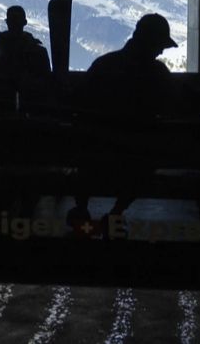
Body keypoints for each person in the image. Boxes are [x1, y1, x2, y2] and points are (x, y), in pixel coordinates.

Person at [68, 13, 179, 236]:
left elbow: (78, 104)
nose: (161, 51)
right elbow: (175, 106)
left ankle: (82, 210)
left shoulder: (104, 65)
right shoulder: (157, 74)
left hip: (93, 157)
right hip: (134, 162)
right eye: (160, 46)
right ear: (152, 43)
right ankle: (117, 212)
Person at [0, 5, 51, 91]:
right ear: (25, 22)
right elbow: (46, 83)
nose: (14, 24)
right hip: (29, 101)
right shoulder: (39, 52)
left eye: (15, 21)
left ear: (7, 22)